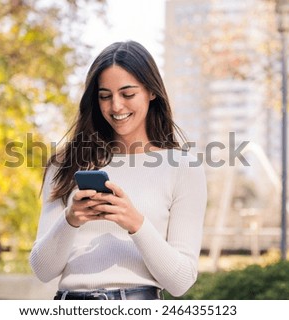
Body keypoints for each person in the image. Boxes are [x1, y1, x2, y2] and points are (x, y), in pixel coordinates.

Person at [29, 41, 207, 300]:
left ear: (151, 92)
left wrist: (134, 222)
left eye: (128, 94)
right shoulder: (65, 165)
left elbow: (181, 281)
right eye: (105, 96)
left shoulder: (183, 168)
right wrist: (70, 219)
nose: (116, 107)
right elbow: (43, 270)